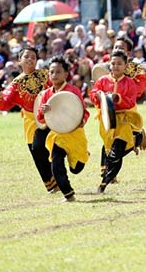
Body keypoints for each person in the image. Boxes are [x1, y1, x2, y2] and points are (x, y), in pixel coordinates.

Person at [0, 47, 56, 193]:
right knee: (37, 151)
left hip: (50, 116)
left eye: (33, 57)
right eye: (26, 56)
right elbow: (5, 102)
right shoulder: (16, 83)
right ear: (19, 61)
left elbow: (57, 89)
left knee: (52, 147)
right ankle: (51, 183)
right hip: (32, 121)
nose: (30, 59)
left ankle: (60, 176)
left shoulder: (45, 75)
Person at [36, 57, 89, 202]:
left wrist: (81, 122)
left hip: (74, 134)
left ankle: (83, 154)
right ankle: (68, 194)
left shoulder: (73, 91)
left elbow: (84, 112)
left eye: (58, 71)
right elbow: (40, 118)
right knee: (56, 163)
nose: (54, 75)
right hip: (57, 135)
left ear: (66, 73)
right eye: (51, 72)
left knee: (76, 168)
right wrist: (43, 111)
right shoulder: (46, 94)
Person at [91, 50, 144, 193]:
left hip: (124, 120)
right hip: (107, 120)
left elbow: (130, 101)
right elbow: (93, 95)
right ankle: (136, 138)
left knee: (116, 152)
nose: (115, 66)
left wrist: (117, 98)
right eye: (113, 63)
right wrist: (99, 95)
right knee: (111, 151)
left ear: (126, 66)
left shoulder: (129, 82)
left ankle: (104, 184)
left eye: (119, 64)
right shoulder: (102, 81)